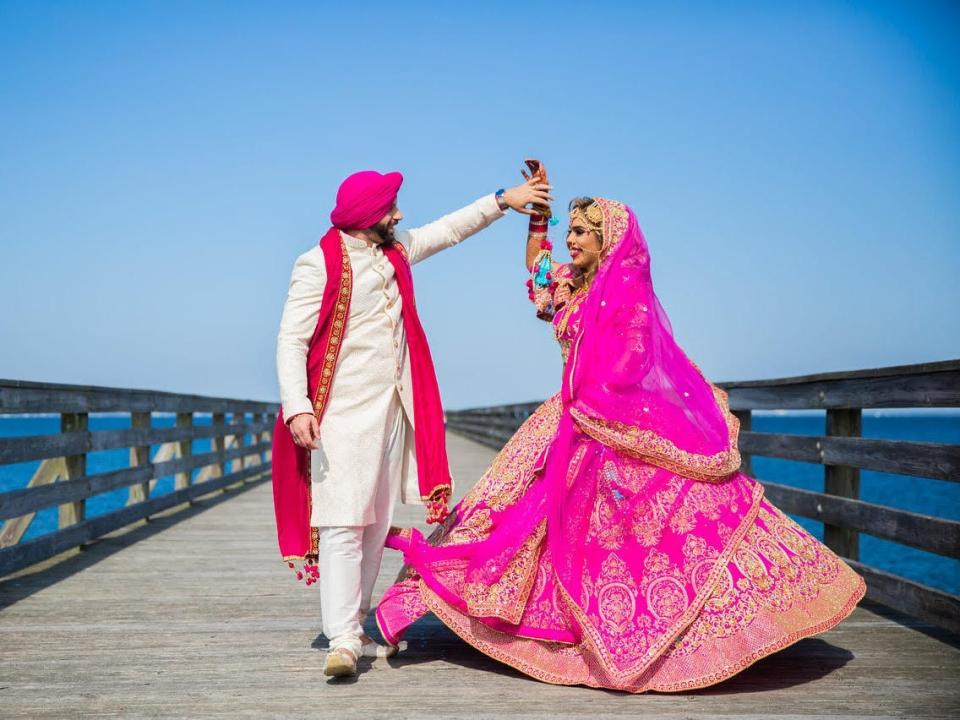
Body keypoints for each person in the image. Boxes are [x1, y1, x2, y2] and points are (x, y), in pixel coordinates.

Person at [375, 166, 867, 693]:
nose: (571, 241)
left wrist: (599, 413)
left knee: (639, 533)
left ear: (607, 240)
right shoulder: (567, 287)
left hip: (609, 427)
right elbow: (539, 272)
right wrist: (537, 217)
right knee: (510, 517)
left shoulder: (625, 301)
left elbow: (629, 369)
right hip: (567, 420)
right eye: (569, 232)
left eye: (581, 233)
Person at [272, 169, 552, 678]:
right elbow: (291, 340)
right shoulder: (317, 265)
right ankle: (341, 639)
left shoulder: (394, 251)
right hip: (337, 414)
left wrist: (502, 201)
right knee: (341, 522)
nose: (399, 215)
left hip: (393, 412)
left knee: (377, 522)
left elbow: (449, 229)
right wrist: (298, 407)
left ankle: (355, 623)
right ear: (366, 216)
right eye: (391, 208)